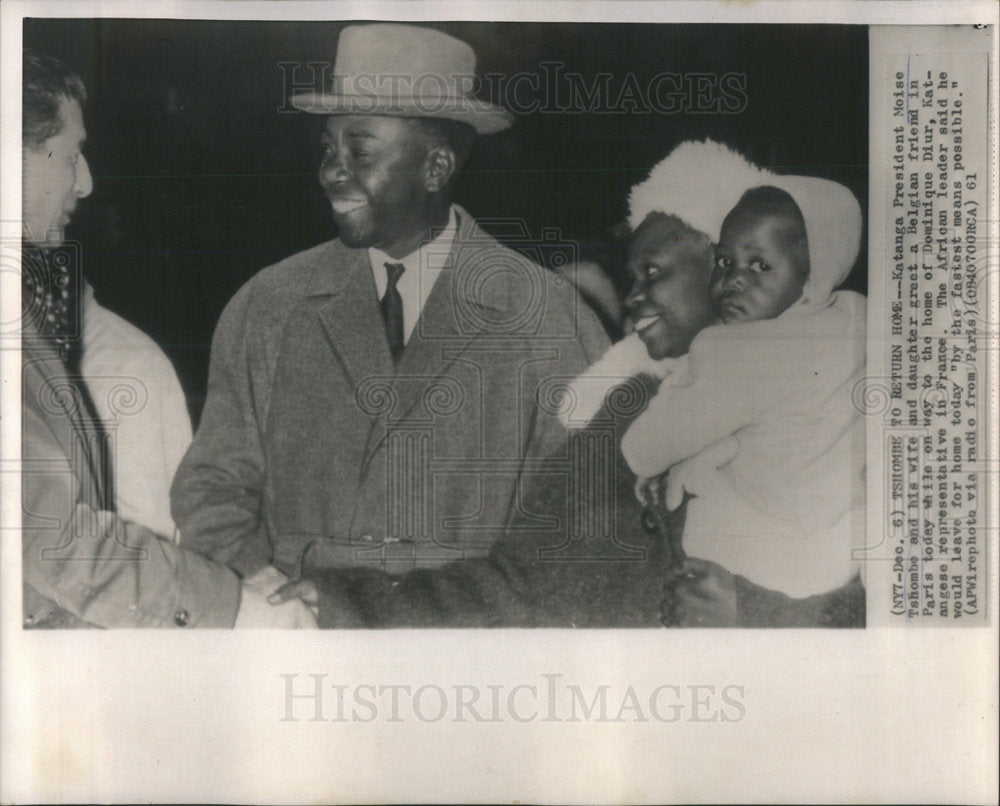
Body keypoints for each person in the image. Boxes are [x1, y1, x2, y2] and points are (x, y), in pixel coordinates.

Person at [270, 140, 865, 628]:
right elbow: (518, 584)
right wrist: (346, 604)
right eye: (630, 276)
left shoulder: (849, 388)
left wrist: (756, 613)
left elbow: (907, 602)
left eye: (653, 272)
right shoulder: (626, 411)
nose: (634, 297)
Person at [170, 24, 609, 584]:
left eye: (360, 151)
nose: (332, 170)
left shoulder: (549, 321)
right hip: (301, 646)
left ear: (436, 168)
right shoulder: (269, 306)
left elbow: (579, 527)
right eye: (328, 148)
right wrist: (263, 589)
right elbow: (211, 489)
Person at [20, 48, 313, 628]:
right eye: (72, 154)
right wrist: (228, 607)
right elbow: (44, 534)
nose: (87, 181)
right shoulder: (126, 360)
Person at [621, 179, 866, 600]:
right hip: (838, 552)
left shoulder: (734, 350)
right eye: (724, 261)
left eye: (760, 267)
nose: (733, 280)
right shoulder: (855, 318)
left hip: (750, 553)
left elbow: (642, 450)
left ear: (813, 277)